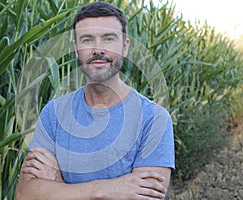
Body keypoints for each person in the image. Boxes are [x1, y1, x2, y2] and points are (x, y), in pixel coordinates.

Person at [15, 2, 175, 200]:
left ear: (125, 47)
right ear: (75, 49)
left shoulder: (154, 119)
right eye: (87, 40)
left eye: (108, 39)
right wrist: (107, 189)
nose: (98, 49)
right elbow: (25, 195)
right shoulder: (53, 113)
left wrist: (57, 184)